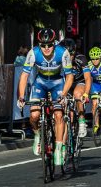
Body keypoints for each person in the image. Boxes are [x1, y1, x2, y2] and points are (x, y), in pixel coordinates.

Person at [17, 28, 74, 165]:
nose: (47, 48)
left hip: (58, 83)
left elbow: (69, 76)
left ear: (54, 43)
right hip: (40, 83)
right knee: (35, 115)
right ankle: (37, 134)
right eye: (43, 45)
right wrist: (21, 96)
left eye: (50, 45)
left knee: (59, 115)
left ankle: (59, 149)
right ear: (39, 44)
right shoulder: (33, 53)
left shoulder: (63, 52)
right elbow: (24, 75)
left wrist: (64, 94)